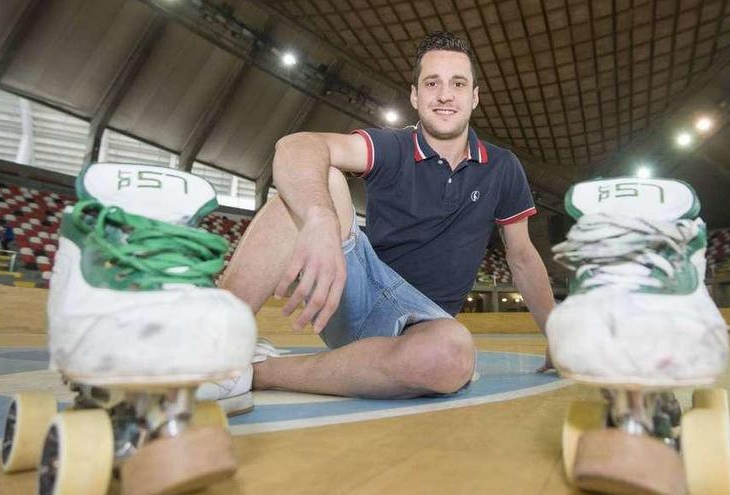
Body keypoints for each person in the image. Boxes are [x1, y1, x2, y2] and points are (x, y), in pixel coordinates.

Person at [214, 31, 556, 407]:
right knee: (318, 179)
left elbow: (522, 256)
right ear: (415, 95)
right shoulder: (393, 147)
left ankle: (257, 372)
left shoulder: (503, 168)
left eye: (458, 83)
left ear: (474, 96)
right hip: (358, 292)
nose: (445, 94)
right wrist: (319, 219)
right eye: (432, 83)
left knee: (452, 355)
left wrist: (557, 336)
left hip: (426, 324)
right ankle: (211, 345)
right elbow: (296, 145)